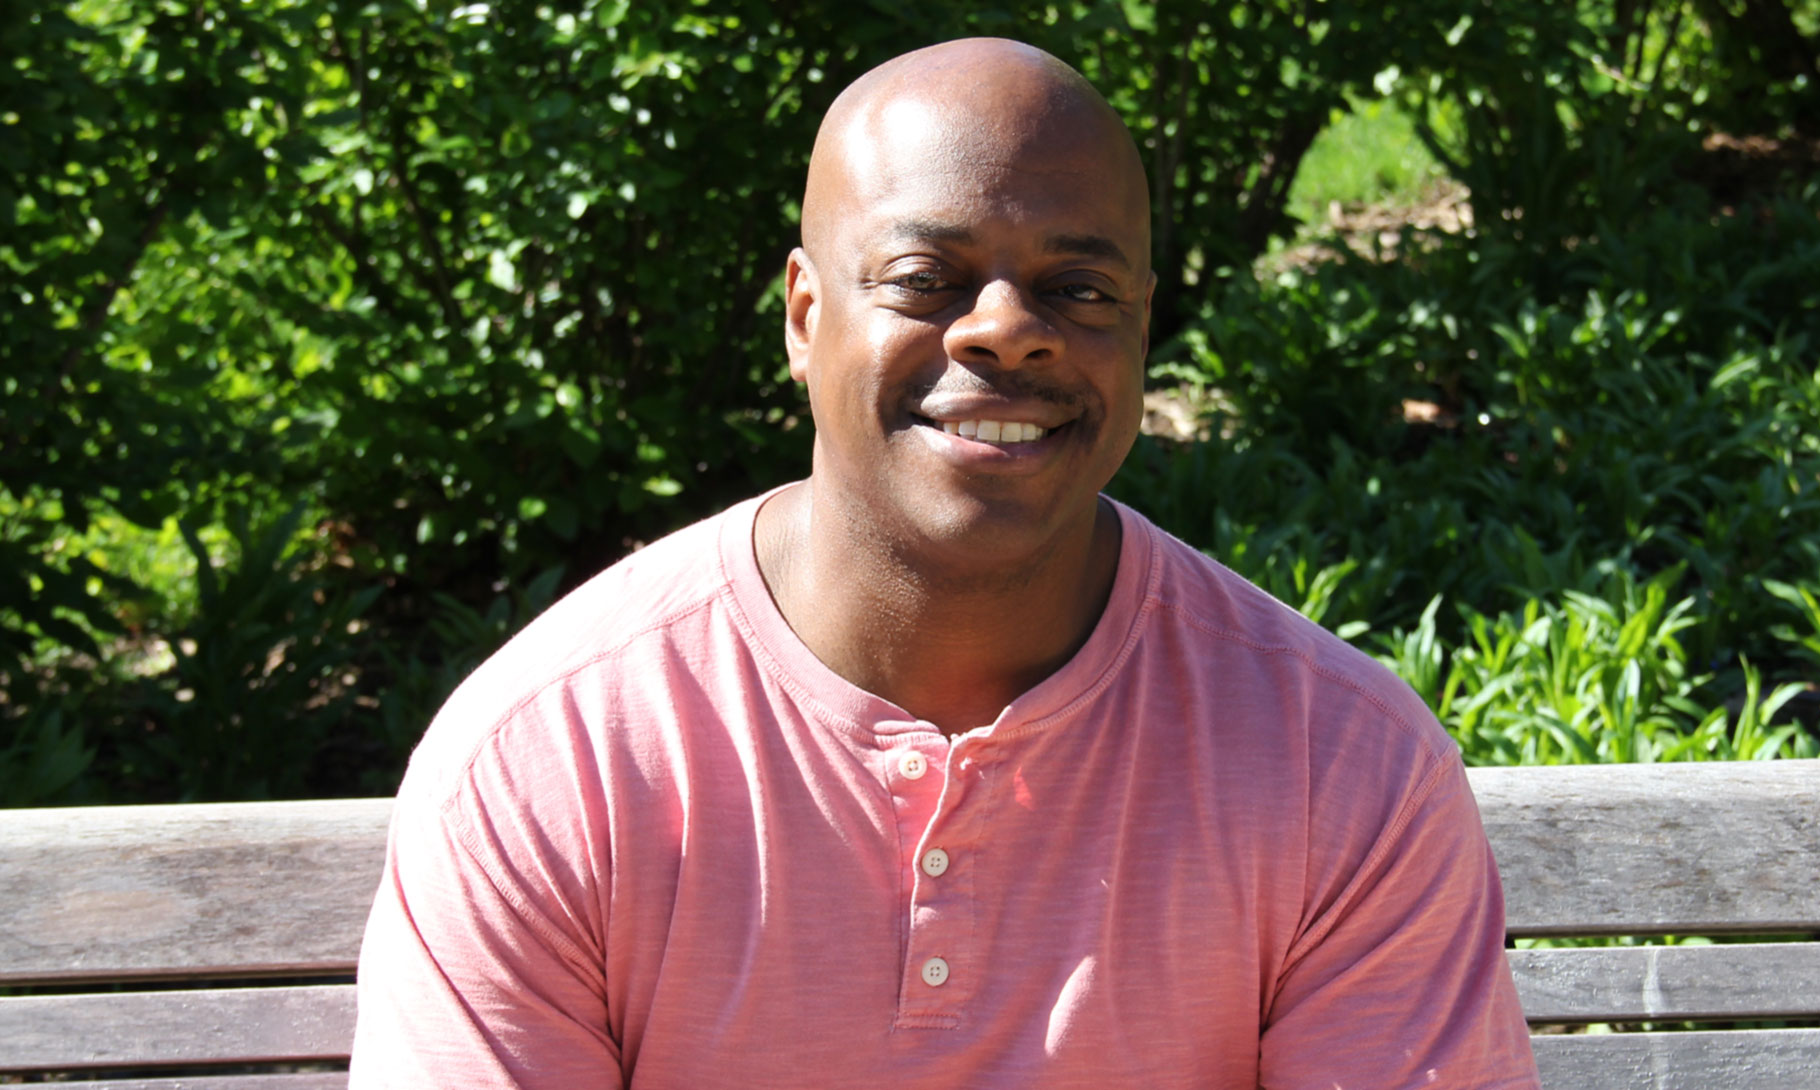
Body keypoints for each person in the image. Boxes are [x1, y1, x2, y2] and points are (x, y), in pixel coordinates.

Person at [348, 37, 1540, 1090]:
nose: (1005, 328)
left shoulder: (1339, 764)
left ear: (1138, 334)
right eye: (926, 279)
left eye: (1079, 289)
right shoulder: (560, 757)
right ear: (804, 318)